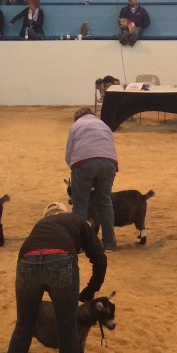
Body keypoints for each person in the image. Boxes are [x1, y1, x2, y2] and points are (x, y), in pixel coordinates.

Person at [0, 203, 107, 353]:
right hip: (61, 260)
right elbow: (100, 257)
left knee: (22, 329)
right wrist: (90, 290)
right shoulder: (77, 221)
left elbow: (26, 255)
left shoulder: (39, 226)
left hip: (27, 262)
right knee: (67, 331)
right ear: (64, 214)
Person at [66, 107, 119, 252]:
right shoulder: (104, 125)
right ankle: (109, 243)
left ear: (77, 118)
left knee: (80, 205)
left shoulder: (75, 126)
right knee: (105, 201)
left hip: (83, 163)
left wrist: (76, 170)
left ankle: (81, 245)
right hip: (109, 163)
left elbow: (69, 155)